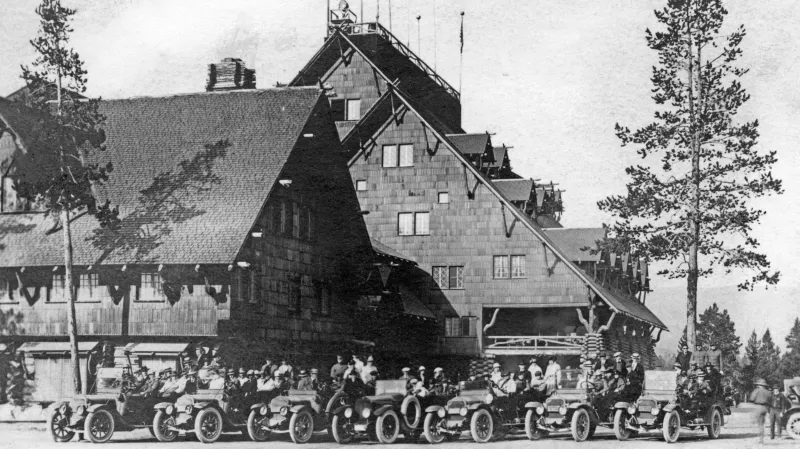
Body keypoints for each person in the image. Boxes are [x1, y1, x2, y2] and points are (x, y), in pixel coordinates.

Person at [749, 378, 773, 444]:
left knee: (759, 424)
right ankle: (762, 438)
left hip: (758, 407)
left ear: (759, 385)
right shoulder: (768, 392)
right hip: (765, 407)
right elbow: (771, 400)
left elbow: (751, 398)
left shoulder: (757, 390)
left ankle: (761, 439)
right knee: (762, 423)